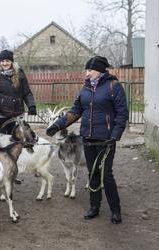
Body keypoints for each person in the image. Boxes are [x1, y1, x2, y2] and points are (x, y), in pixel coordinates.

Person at [46, 56, 129, 224]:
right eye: (86, 70)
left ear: (99, 70)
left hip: (105, 140)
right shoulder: (85, 89)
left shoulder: (114, 86)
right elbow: (75, 112)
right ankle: (94, 207)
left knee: (106, 175)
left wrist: (115, 135)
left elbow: (122, 113)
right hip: (88, 139)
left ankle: (115, 210)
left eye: (89, 70)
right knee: (92, 173)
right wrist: (56, 125)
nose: (87, 73)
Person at [0, 49, 37, 134]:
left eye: (7, 61)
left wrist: (31, 106)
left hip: (16, 114)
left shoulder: (20, 74)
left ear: (12, 61)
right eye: (2, 61)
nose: (5, 63)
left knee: (16, 140)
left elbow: (27, 93)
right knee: (0, 141)